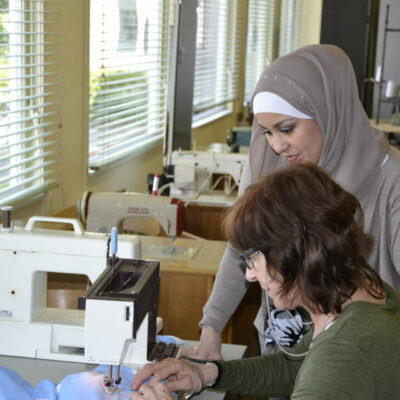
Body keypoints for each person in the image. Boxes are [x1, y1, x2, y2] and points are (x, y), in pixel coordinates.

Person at [187, 44, 400, 365]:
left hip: (356, 360)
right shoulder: (270, 162)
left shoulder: (391, 179)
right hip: (284, 349)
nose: (276, 144)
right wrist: (211, 327)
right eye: (266, 132)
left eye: (287, 129)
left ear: (328, 110)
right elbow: (241, 249)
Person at [130, 163, 400, 400]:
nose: (249, 274)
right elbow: (294, 368)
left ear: (292, 254)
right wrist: (206, 373)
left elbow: (325, 371)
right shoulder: (364, 291)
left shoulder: (342, 352)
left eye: (253, 259)